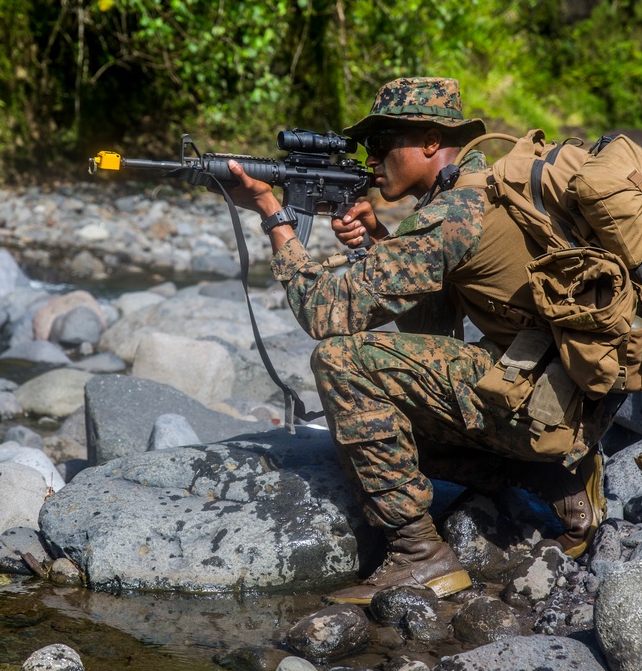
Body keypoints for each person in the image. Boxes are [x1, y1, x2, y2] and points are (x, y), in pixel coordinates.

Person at [225, 76, 610, 605]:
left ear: (431, 141)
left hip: (551, 405)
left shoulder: (453, 212)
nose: (371, 158)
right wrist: (381, 241)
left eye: (384, 142)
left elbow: (324, 311)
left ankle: (419, 555)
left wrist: (273, 215)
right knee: (383, 426)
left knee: (341, 363)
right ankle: (553, 478)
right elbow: (435, 332)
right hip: (573, 394)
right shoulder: (486, 188)